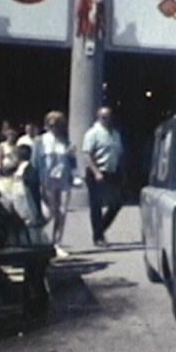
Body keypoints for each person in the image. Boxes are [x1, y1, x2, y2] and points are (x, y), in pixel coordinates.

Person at [34, 111, 76, 257]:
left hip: (64, 180)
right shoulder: (40, 141)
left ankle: (56, 243)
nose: (54, 127)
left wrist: (74, 176)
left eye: (58, 124)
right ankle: (37, 235)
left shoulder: (66, 142)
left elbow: (72, 162)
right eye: (51, 124)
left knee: (62, 212)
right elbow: (35, 164)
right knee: (50, 212)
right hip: (47, 181)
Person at [82, 106, 124, 247]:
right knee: (97, 205)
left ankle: (100, 229)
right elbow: (87, 154)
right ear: (98, 117)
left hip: (112, 171)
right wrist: (96, 172)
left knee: (117, 202)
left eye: (109, 116)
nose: (107, 119)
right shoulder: (93, 133)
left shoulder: (115, 134)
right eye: (104, 117)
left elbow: (119, 152)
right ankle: (98, 237)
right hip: (97, 172)